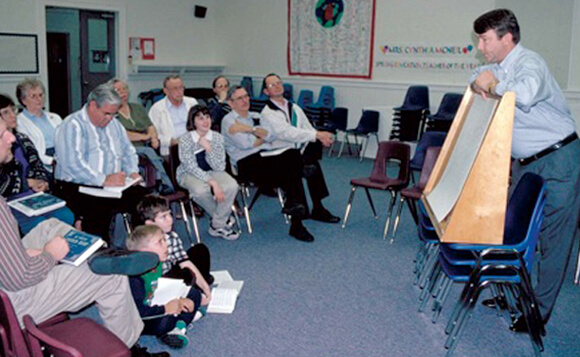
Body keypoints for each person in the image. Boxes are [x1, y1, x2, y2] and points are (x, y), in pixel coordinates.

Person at [0, 115, 168, 357]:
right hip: (14, 299)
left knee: (51, 227)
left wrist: (23, 254)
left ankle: (101, 254)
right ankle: (127, 348)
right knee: (111, 276)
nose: (12, 138)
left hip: (8, 277)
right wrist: (49, 255)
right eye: (4, 133)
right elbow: (20, 278)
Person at [470, 8, 580, 332]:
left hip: (559, 159)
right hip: (526, 163)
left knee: (552, 240)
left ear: (507, 38)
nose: (480, 45)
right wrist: (486, 81)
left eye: (485, 38)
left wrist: (491, 86)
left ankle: (537, 314)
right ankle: (514, 295)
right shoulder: (499, 66)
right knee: (516, 231)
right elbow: (476, 76)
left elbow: (526, 94)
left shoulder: (531, 63)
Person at [54, 83, 148, 242]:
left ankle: (144, 246)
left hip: (112, 184)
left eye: (113, 114)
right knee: (98, 212)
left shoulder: (115, 124)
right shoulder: (72, 125)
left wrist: (132, 171)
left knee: (146, 204)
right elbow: (72, 164)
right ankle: (101, 254)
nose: (110, 118)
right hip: (78, 186)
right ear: (92, 106)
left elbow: (128, 151)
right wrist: (103, 179)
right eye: (106, 113)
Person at [221, 85, 314, 242]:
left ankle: (296, 220)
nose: (245, 100)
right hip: (245, 164)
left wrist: (249, 130)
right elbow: (247, 145)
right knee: (291, 171)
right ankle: (296, 221)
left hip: (265, 156)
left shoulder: (256, 115)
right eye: (240, 98)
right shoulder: (228, 120)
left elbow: (271, 136)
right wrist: (258, 133)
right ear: (230, 103)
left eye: (246, 96)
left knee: (291, 156)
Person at [261, 73, 340, 223]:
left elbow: (307, 128)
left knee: (312, 155)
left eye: (279, 83)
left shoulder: (294, 107)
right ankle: (304, 207)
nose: (277, 86)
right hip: (278, 155)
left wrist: (321, 137)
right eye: (272, 85)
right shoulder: (267, 112)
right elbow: (286, 133)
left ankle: (318, 207)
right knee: (299, 157)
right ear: (266, 92)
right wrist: (317, 135)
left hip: (296, 152)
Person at [0, 94, 74, 234]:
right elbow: (3, 184)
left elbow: (37, 164)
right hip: (9, 202)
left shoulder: (23, 139)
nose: (12, 115)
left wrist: (42, 181)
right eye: (5, 112)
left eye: (13, 110)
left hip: (33, 197)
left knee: (66, 216)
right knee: (39, 225)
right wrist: (28, 183)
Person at [127, 224, 205, 349]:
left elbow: (160, 289)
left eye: (164, 240)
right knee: (165, 321)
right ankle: (176, 325)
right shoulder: (135, 278)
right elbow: (138, 312)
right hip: (141, 317)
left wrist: (178, 300)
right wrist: (166, 308)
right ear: (143, 252)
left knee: (194, 293)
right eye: (160, 242)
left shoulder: (156, 263)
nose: (166, 245)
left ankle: (179, 325)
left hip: (154, 301)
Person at [177, 105, 239, 240]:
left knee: (232, 185)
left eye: (207, 117)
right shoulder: (186, 139)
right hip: (188, 174)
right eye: (200, 118)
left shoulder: (217, 137)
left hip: (212, 171)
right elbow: (190, 166)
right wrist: (213, 183)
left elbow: (219, 166)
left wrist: (208, 149)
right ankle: (224, 219)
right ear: (193, 122)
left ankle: (217, 224)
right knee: (199, 190)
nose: (205, 121)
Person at [109, 78, 175, 194]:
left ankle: (157, 186)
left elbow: (150, 126)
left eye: (124, 89)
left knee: (151, 153)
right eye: (117, 90)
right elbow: (123, 135)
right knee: (149, 152)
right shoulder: (110, 112)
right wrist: (145, 137)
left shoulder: (137, 108)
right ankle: (166, 183)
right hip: (124, 148)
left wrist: (153, 137)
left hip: (144, 147)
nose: (122, 92)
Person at [136, 194, 214, 286]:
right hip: (158, 281)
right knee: (186, 276)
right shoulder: (144, 244)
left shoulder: (172, 236)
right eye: (163, 217)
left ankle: (199, 283)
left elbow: (184, 261)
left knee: (200, 250)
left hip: (171, 270)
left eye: (170, 214)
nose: (170, 219)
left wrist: (205, 287)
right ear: (150, 223)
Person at [15, 78, 62, 169]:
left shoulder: (55, 117)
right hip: (41, 163)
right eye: (33, 96)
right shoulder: (19, 122)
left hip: (61, 157)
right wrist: (52, 160)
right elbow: (30, 151)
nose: (39, 99)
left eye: (41, 95)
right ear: (23, 100)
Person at [149, 75, 198, 156]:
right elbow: (153, 135)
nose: (179, 91)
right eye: (175, 88)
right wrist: (170, 141)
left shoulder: (192, 103)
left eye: (181, 87)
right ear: (166, 91)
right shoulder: (157, 109)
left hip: (194, 145)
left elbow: (201, 125)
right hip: (172, 149)